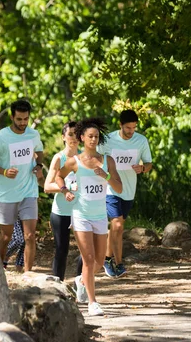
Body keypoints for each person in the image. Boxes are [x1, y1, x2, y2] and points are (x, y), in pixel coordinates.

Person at [55, 118, 122, 316]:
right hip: (81, 214)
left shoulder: (107, 160)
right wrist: (64, 189)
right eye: (90, 136)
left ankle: (81, 280)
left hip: (100, 215)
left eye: (96, 136)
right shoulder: (74, 162)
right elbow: (59, 175)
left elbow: (119, 188)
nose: (93, 139)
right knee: (88, 259)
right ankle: (92, 303)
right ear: (82, 138)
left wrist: (106, 176)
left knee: (99, 262)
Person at [0, 99, 44, 272]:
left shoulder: (33, 134)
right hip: (7, 194)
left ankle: (28, 274)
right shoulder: (0, 137)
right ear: (12, 117)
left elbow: (39, 152)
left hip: (29, 191)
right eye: (19, 119)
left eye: (26, 119)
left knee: (30, 236)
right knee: (6, 236)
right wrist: (3, 172)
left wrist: (38, 165)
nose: (23, 123)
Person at [101, 109, 153, 277]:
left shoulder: (141, 140)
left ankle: (114, 261)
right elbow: (95, 157)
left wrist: (143, 168)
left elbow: (149, 163)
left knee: (119, 227)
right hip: (110, 189)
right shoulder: (108, 140)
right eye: (128, 128)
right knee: (116, 224)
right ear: (120, 125)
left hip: (129, 190)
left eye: (134, 127)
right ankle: (111, 260)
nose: (131, 131)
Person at [43, 121, 79, 281]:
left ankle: (81, 284)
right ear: (63, 137)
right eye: (70, 134)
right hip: (61, 211)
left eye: (77, 134)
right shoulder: (59, 158)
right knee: (62, 250)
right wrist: (68, 187)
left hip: (81, 211)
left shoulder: (85, 157)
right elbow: (47, 186)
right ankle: (58, 288)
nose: (74, 137)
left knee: (87, 251)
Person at [0, 166, 44, 272]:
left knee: (28, 238)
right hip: (12, 205)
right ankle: (1, 260)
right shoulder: (17, 162)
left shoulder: (35, 165)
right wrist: (7, 194)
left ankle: (21, 269)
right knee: (17, 239)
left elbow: (43, 184)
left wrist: (40, 176)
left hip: (27, 205)